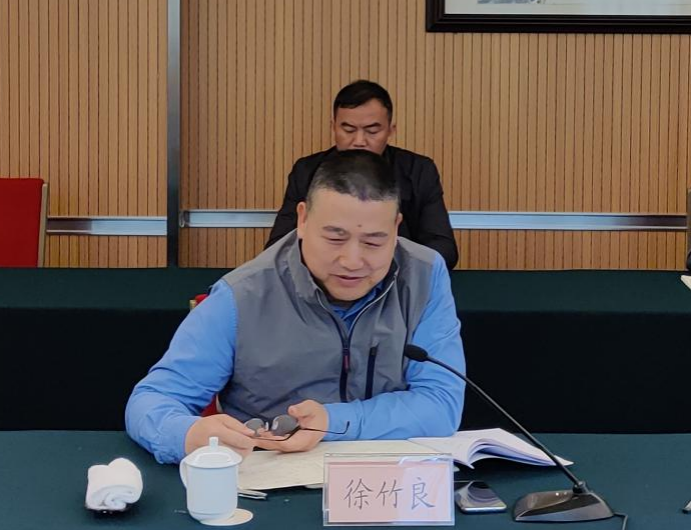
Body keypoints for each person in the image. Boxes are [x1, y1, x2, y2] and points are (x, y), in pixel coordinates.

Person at [126, 150, 466, 464]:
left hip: (389, 482)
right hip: (270, 479)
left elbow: (441, 404)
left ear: (396, 228)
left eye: (374, 242)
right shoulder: (243, 294)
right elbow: (151, 400)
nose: (352, 261)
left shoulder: (424, 274)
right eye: (335, 238)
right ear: (302, 219)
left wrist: (332, 422)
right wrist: (187, 434)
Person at [266, 80, 459, 270]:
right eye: (348, 130)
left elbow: (443, 250)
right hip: (325, 279)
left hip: (398, 280)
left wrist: (378, 262)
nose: (359, 141)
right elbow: (278, 248)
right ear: (333, 127)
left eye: (372, 131)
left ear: (390, 130)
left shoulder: (418, 170)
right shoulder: (307, 171)